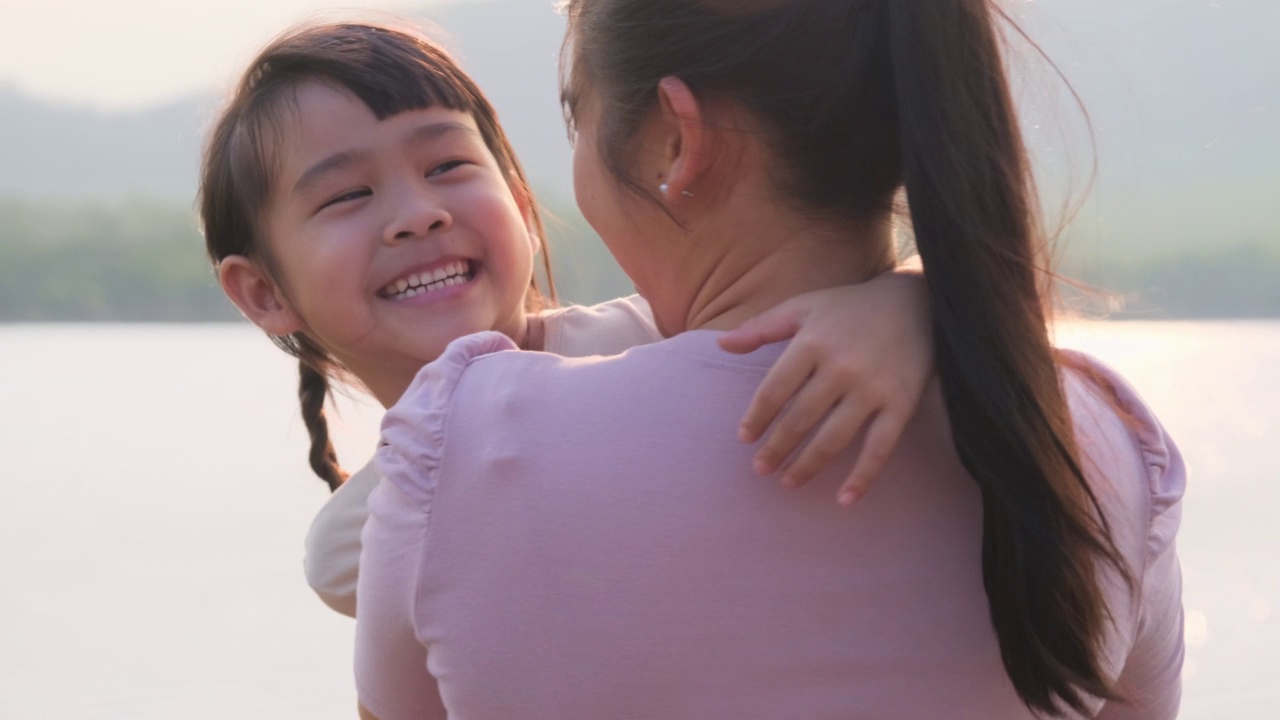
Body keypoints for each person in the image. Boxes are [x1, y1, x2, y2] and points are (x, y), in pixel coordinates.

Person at [358, 1, 1186, 719]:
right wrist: (925, 297)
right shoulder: (1098, 445)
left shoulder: (459, 444)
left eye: (579, 118)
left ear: (675, 142)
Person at [198, 22, 935, 619]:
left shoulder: (655, 336)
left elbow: (846, 289)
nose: (418, 215)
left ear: (521, 206)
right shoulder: (357, 542)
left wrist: (906, 304)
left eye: (448, 166)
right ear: (263, 293)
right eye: (347, 195)